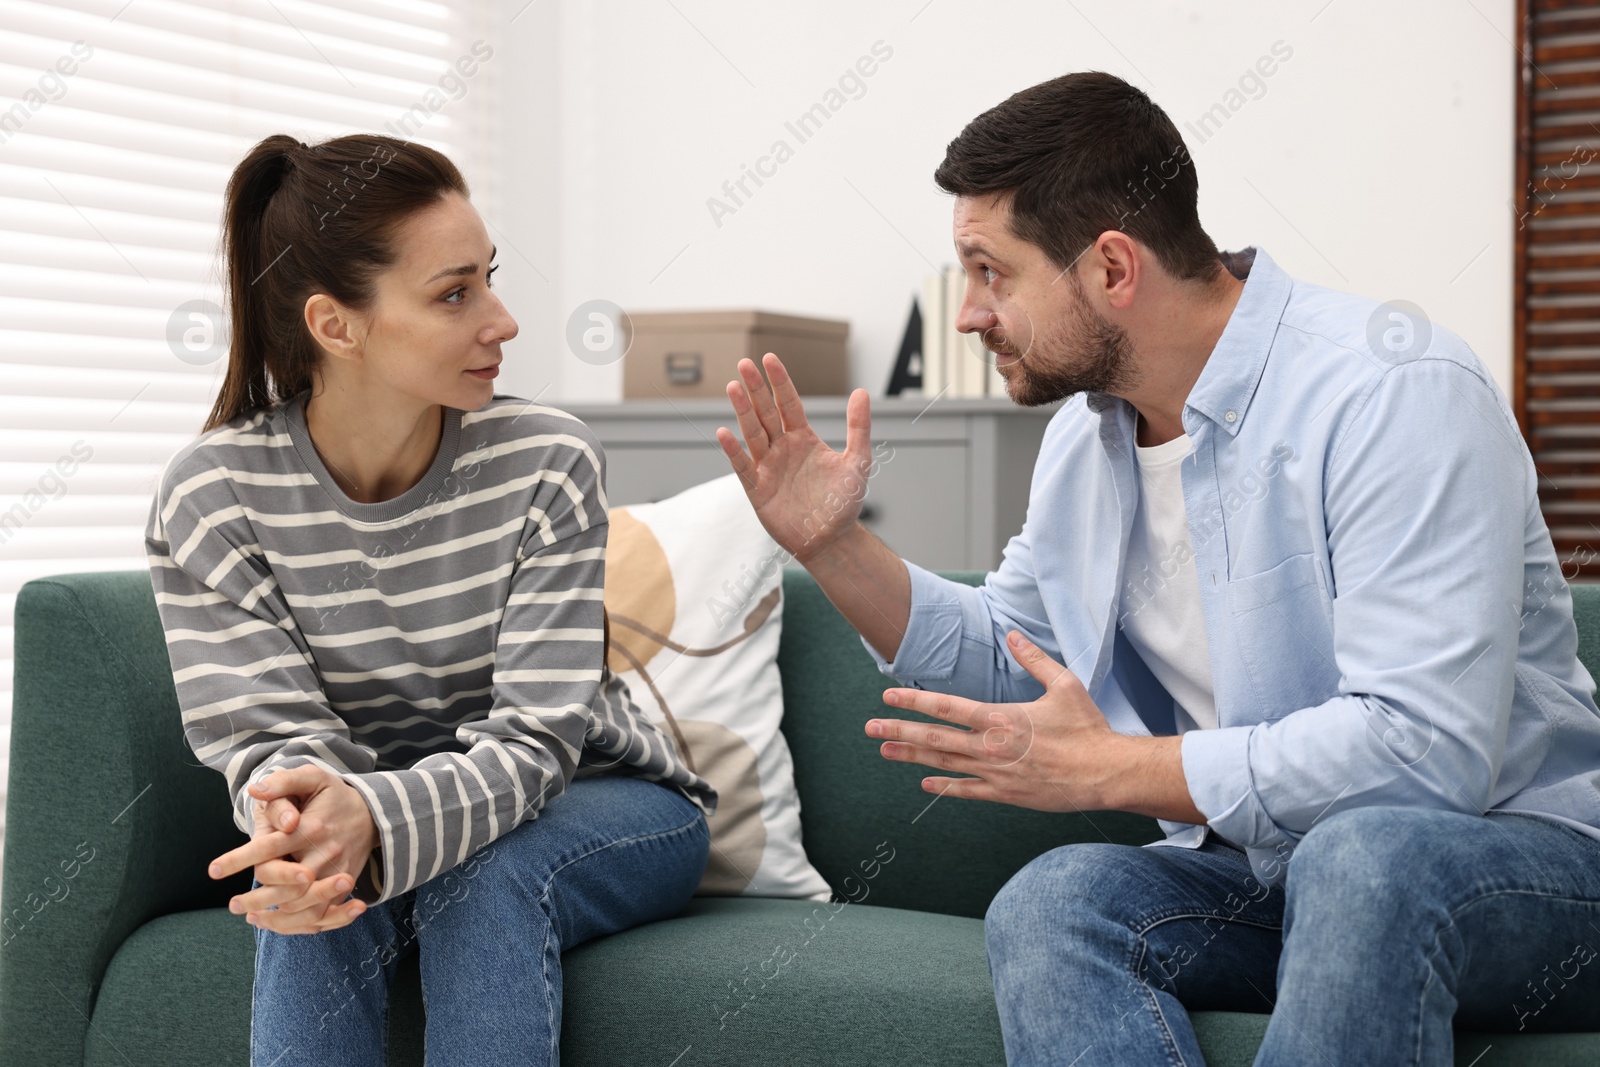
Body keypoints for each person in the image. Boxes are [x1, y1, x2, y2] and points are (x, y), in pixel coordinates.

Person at [715, 71, 1600, 1065]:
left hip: (1524, 868)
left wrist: (1122, 765)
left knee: (1366, 862)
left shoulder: (1390, 393)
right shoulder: (1084, 443)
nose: (966, 315)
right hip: (1277, 878)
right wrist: (832, 545)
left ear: (1111, 269)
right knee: (1059, 901)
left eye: (989, 272)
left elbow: (1424, 756)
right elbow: (1018, 661)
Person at [144, 133, 716, 1067]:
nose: (503, 321)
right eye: (455, 294)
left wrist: (369, 820)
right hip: (378, 813)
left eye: (486, 279)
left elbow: (538, 742)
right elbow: (268, 744)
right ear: (336, 325)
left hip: (601, 800)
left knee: (479, 874)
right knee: (313, 890)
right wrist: (301, 827)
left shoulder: (547, 464)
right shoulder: (213, 494)